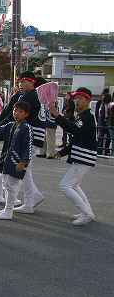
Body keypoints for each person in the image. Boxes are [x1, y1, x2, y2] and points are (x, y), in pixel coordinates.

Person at [0, 71, 45, 213]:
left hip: (30, 135)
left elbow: (16, 116)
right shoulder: (36, 95)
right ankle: (32, 199)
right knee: (25, 170)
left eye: (24, 81)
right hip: (35, 135)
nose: (21, 84)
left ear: (32, 82)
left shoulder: (29, 96)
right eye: (20, 81)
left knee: (23, 169)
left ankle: (32, 200)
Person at [50, 88, 97, 225]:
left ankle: (87, 213)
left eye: (80, 98)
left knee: (65, 185)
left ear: (88, 100)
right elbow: (77, 137)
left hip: (84, 157)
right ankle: (87, 211)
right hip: (83, 157)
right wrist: (62, 152)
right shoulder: (83, 116)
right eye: (75, 98)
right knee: (74, 185)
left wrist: (57, 115)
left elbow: (73, 129)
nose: (77, 101)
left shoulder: (86, 117)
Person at [96, 90, 111, 156]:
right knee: (100, 137)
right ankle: (99, 150)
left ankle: (106, 151)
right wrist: (98, 121)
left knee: (108, 137)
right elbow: (98, 113)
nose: (102, 97)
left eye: (104, 96)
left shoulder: (110, 105)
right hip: (101, 123)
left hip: (108, 123)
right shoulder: (100, 103)